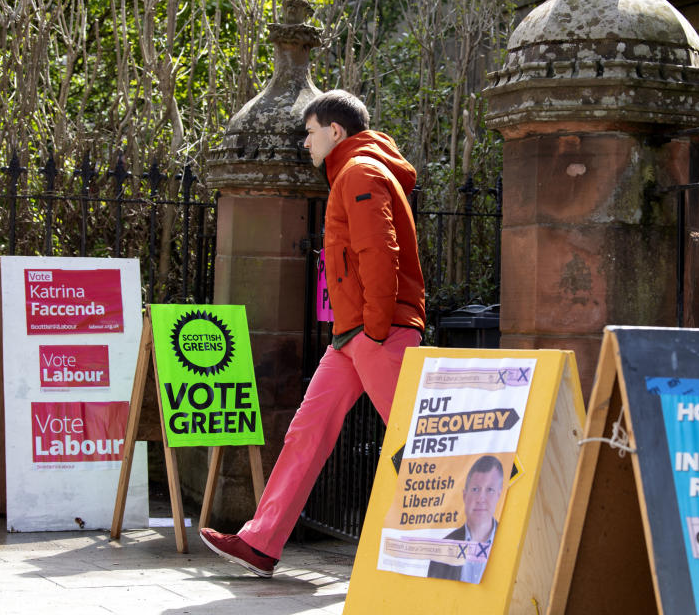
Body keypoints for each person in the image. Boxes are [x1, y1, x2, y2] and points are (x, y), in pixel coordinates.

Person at [200, 89, 425, 578]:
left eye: (309, 132)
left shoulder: (359, 172)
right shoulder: (355, 171)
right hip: (354, 335)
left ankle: (456, 547)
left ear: (335, 131)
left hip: (374, 332)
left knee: (417, 441)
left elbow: (378, 254)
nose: (305, 143)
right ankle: (261, 541)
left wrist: (377, 329)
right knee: (306, 433)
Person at [427, 455, 504, 583]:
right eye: (475, 489)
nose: (481, 499)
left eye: (489, 490)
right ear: (464, 496)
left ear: (498, 495)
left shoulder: (511, 543)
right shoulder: (442, 550)